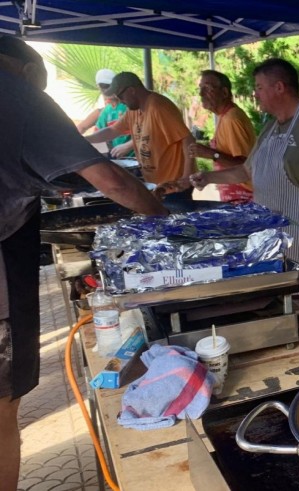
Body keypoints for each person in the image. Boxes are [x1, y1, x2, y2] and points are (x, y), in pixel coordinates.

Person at [0, 35, 167, 490]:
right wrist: (164, 223)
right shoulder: (16, 91)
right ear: (28, 71)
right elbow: (110, 179)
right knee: (2, 404)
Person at [190, 58, 299, 320]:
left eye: (259, 87)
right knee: (283, 294)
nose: (255, 94)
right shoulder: (269, 127)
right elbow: (246, 171)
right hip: (270, 233)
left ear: (279, 87)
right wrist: (208, 177)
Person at [85, 71, 196, 197]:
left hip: (175, 185)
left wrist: (187, 177)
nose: (120, 101)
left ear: (132, 90)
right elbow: (113, 130)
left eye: (120, 96)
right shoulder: (134, 110)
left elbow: (188, 140)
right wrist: (86, 139)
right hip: (156, 185)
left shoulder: (158, 107)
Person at [187, 69, 256, 203]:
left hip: (244, 196)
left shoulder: (232, 118)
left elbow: (245, 165)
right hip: (236, 196)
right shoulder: (224, 117)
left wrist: (211, 154)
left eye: (207, 88)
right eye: (200, 89)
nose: (201, 94)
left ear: (224, 92)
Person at [76, 68, 135, 158]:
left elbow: (148, 133)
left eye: (108, 86)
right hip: (121, 158)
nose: (106, 90)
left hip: (137, 157)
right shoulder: (105, 112)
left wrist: (128, 146)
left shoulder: (129, 105)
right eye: (103, 86)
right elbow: (109, 132)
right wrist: (84, 140)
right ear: (98, 87)